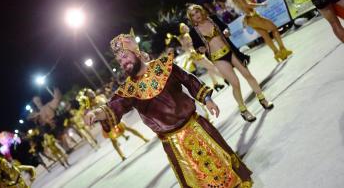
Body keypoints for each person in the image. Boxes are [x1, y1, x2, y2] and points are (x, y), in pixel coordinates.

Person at [84, 33, 253, 187]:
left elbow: (188, 79)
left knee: (223, 166)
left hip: (197, 128)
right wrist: (94, 113)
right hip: (173, 143)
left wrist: (206, 99)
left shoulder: (164, 66)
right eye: (120, 61)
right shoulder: (128, 90)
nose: (123, 63)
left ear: (136, 53)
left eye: (125, 56)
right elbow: (111, 107)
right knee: (197, 180)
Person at [187, 4, 273, 122]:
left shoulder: (213, 19)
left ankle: (263, 99)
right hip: (218, 58)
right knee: (235, 83)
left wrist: (226, 31)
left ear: (201, 11)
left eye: (197, 12)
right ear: (191, 18)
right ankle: (243, 110)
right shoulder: (193, 32)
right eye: (193, 15)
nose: (196, 15)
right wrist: (201, 49)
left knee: (247, 74)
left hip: (230, 51)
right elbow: (197, 47)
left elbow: (225, 28)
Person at [223, 0, 293, 62]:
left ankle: (277, 53)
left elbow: (245, 6)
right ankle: (283, 49)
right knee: (274, 28)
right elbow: (248, 5)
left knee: (265, 36)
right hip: (253, 17)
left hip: (249, 19)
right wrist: (261, 4)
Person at [79, 88, 149, 161]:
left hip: (113, 116)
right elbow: (92, 115)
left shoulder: (101, 96)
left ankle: (144, 138)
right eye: (89, 93)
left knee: (128, 128)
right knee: (113, 140)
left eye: (92, 91)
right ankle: (122, 155)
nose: (92, 93)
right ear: (87, 96)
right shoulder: (89, 105)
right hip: (105, 122)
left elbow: (110, 103)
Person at [178, 22, 226, 91]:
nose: (186, 27)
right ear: (182, 29)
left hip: (194, 55)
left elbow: (185, 48)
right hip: (196, 55)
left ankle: (216, 84)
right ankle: (225, 78)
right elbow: (188, 47)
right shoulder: (186, 36)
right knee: (211, 66)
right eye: (184, 27)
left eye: (185, 26)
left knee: (209, 68)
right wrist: (192, 51)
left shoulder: (182, 37)